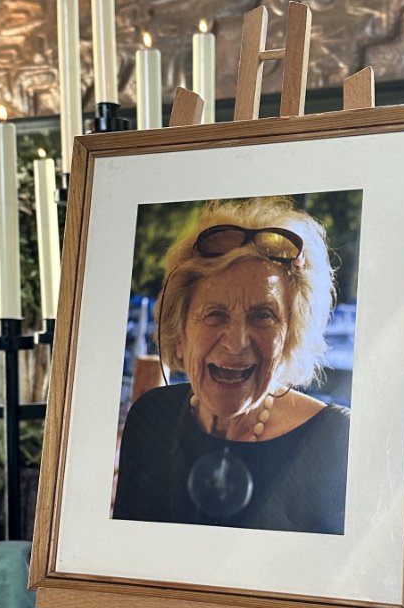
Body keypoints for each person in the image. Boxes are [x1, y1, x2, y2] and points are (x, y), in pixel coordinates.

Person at [112, 196, 350, 534]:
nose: (236, 343)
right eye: (215, 314)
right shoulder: (150, 418)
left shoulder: (337, 442)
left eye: (263, 315)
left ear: (292, 334)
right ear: (180, 331)